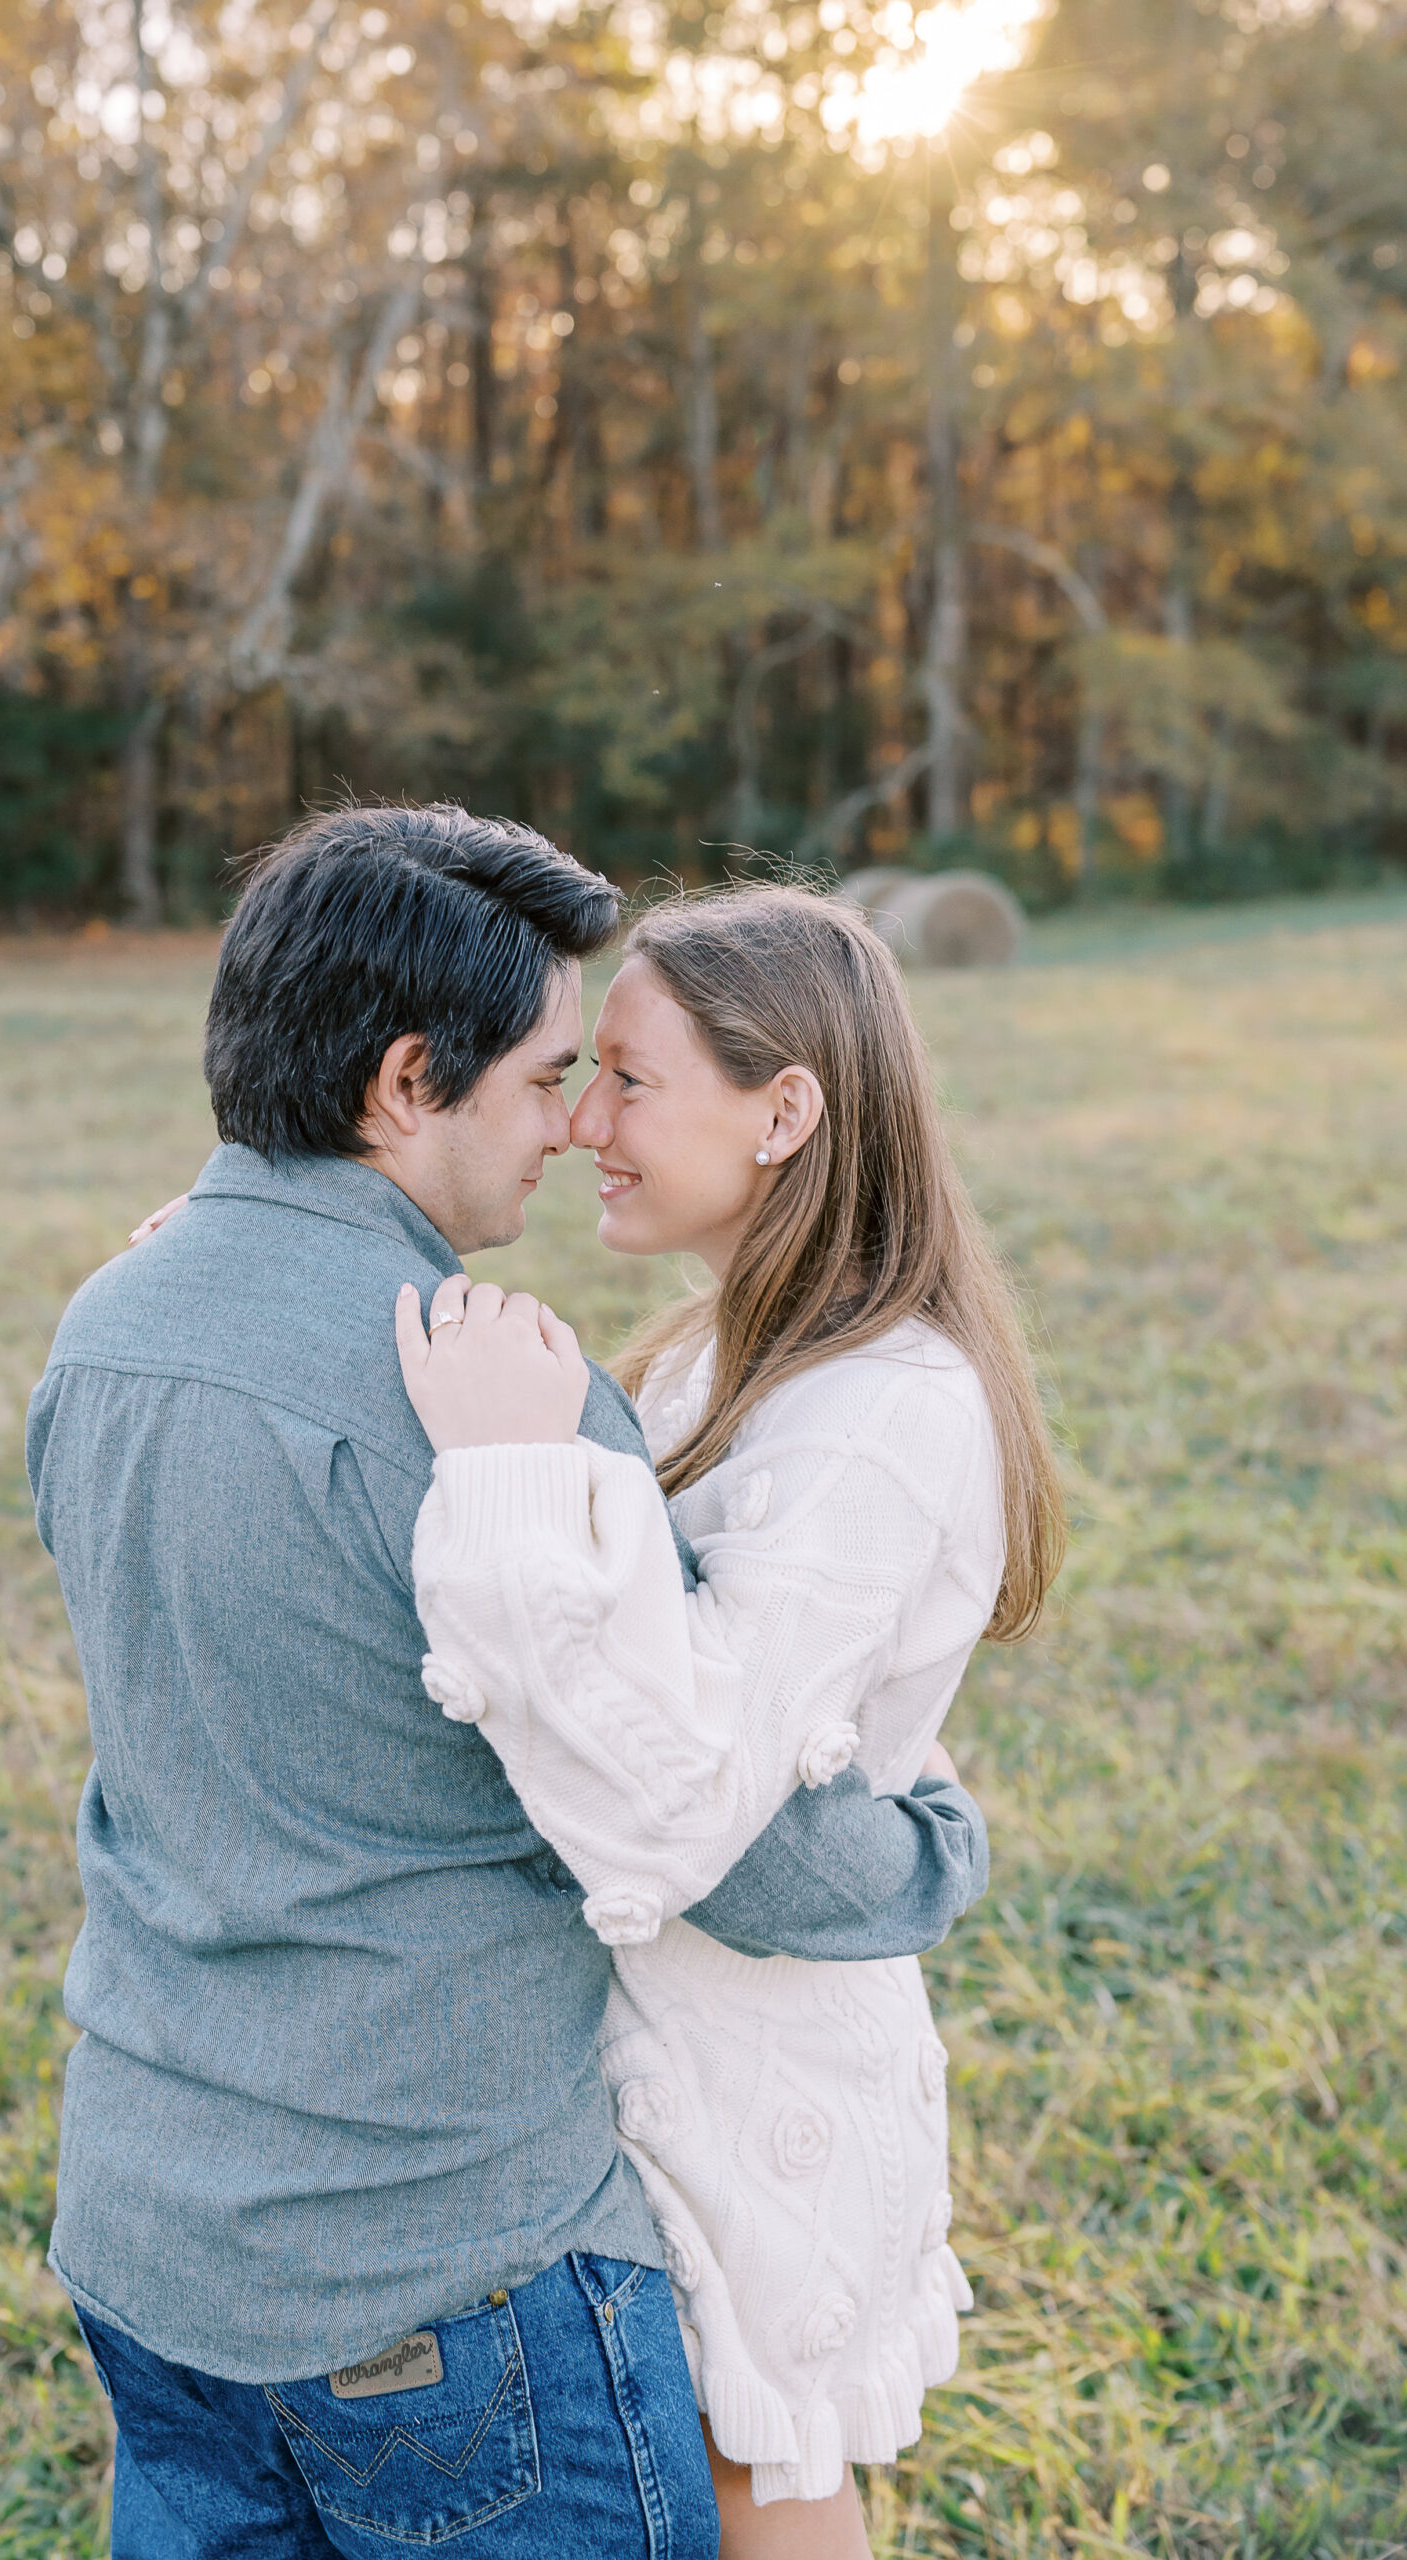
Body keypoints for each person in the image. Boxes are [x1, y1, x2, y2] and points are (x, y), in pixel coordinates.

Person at [28, 806, 992, 2560]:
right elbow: (723, 1829)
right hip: (433, 2261)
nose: (572, 1125)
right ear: (411, 1082)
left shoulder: (107, 1323)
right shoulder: (505, 1422)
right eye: (554, 1077)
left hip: (146, 2226)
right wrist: (922, 1843)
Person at [392, 885, 1066, 2557]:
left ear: (785, 1111)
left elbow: (688, 1787)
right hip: (655, 2033)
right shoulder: (716, 1352)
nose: (583, 1125)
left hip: (756, 2064)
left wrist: (511, 1473)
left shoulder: (879, 1418)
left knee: (762, 2474)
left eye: (630, 1080)